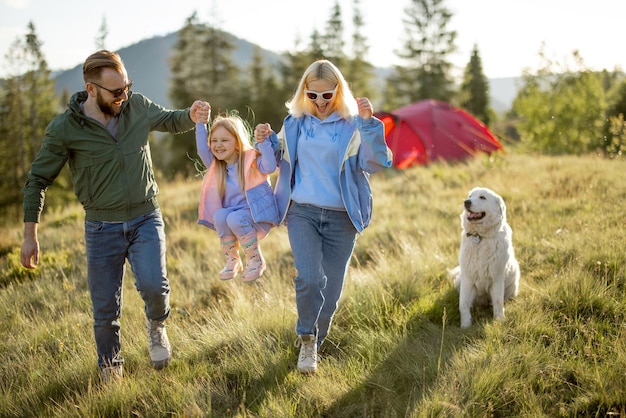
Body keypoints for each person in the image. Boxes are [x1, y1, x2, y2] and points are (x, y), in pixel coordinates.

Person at [19, 50, 210, 383]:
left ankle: (156, 327)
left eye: (126, 86)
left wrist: (191, 114)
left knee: (154, 287)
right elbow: (37, 180)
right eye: (116, 91)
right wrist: (29, 234)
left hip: (145, 216)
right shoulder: (65, 129)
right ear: (91, 89)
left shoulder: (135, 105)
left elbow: (169, 119)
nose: (124, 96)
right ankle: (110, 366)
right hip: (100, 227)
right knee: (105, 308)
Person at [254, 59, 393, 374]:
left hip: (342, 218)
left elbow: (377, 163)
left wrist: (371, 123)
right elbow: (272, 159)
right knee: (310, 278)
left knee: (330, 295)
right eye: (312, 95)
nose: (319, 102)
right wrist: (263, 140)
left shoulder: (354, 125)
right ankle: (306, 338)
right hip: (302, 212)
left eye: (326, 96)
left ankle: (317, 339)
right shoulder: (295, 123)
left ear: (338, 92)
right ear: (304, 92)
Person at [195, 112, 279, 282]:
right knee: (219, 215)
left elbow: (270, 166)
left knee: (234, 217)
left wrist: (263, 143)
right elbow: (202, 149)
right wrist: (200, 124)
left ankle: (256, 259)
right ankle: (233, 259)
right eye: (214, 141)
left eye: (224, 140)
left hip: (258, 217)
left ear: (237, 143)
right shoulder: (217, 166)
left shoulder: (252, 160)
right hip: (237, 221)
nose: (218, 145)